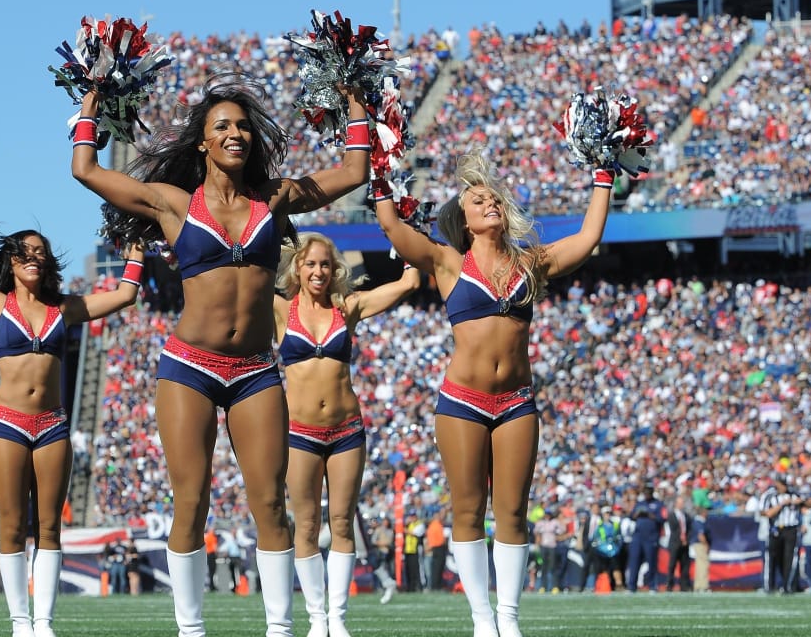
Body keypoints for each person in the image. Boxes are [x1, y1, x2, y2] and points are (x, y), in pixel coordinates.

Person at [72, 74, 369, 637]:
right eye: (222, 126)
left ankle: (280, 629)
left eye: (242, 126)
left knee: (270, 504)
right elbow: (85, 170)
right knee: (191, 500)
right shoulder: (173, 203)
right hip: (190, 367)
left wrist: (354, 104)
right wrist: (91, 100)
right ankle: (191, 630)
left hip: (256, 369)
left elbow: (354, 172)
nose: (235, 133)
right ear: (203, 142)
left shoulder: (274, 198)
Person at [374, 151, 616, 637]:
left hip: (516, 402)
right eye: (477, 200)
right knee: (468, 509)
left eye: (494, 199)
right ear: (462, 219)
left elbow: (588, 239)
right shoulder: (447, 262)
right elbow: (394, 232)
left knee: (512, 511)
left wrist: (603, 174)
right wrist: (380, 172)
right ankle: (482, 621)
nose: (490, 204)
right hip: (462, 401)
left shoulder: (530, 262)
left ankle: (509, 619)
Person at [0, 220, 141, 637]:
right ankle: (20, 622)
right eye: (24, 251)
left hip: (53, 424)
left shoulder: (65, 307)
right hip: (7, 422)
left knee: (50, 526)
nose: (33, 257)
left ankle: (45, 623)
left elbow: (126, 295)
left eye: (40, 251)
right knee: (12, 523)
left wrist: (137, 247)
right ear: (10, 260)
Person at [274, 232, 418, 637]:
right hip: (299, 432)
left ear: (334, 269)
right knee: (303, 525)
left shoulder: (347, 307)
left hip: (347, 431)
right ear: (297, 269)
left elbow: (409, 284)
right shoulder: (281, 310)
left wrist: (404, 232)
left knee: (340, 521)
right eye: (310, 264)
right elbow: (236, 282)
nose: (318, 271)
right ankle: (316, 619)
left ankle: (337, 619)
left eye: (325, 264)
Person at [760, 477, 802, 593]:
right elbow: (766, 513)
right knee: (773, 558)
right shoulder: (770, 495)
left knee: (789, 558)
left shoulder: (794, 494)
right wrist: (782, 504)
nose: (784, 487)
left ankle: (788, 586)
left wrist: (797, 502)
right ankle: (770, 586)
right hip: (775, 529)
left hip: (791, 529)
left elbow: (810, 503)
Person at [627, 487, 665, 593]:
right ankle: (631, 586)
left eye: (648, 492)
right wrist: (638, 514)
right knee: (634, 561)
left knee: (651, 562)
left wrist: (650, 515)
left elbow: (662, 518)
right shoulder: (640, 504)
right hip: (638, 536)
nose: (646, 495)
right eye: (645, 493)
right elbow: (631, 516)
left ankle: (652, 586)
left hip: (651, 537)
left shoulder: (658, 504)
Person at [664, 493, 693, 592]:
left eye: (683, 503)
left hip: (685, 543)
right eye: (680, 503)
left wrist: (686, 539)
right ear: (676, 504)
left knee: (685, 565)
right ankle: (669, 584)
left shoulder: (686, 516)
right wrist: (680, 539)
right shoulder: (672, 515)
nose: (682, 505)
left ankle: (684, 585)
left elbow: (688, 529)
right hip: (675, 543)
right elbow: (674, 530)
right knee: (672, 565)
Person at [690, 505, 711, 593]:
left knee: (699, 565)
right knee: (703, 565)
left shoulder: (697, 521)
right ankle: (703, 586)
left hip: (698, 545)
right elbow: (701, 535)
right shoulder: (699, 522)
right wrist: (706, 544)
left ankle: (698, 586)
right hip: (700, 545)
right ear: (703, 513)